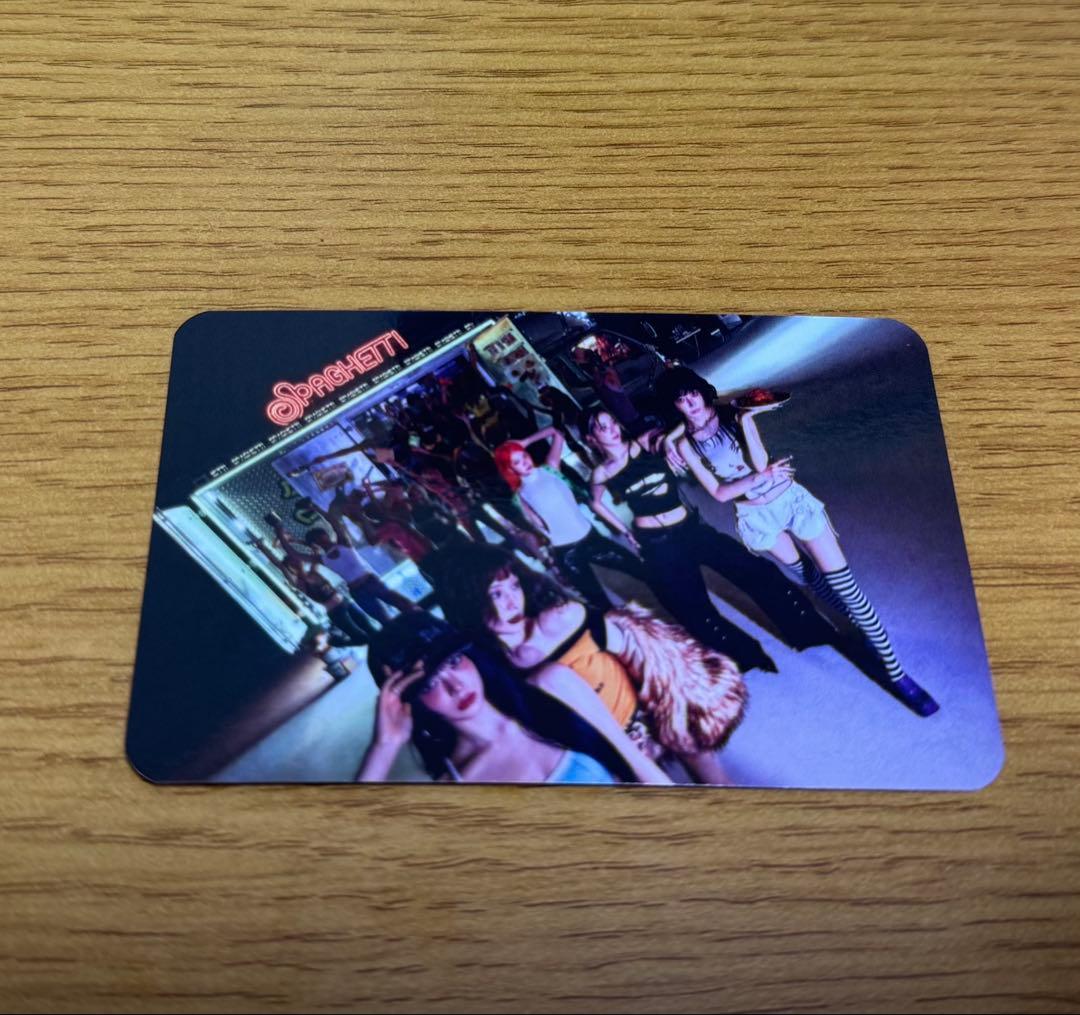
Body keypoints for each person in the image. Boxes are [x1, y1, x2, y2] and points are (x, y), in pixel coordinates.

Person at [657, 365, 939, 717]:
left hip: (790, 501)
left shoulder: (734, 412)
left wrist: (746, 422)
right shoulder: (684, 444)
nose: (690, 402)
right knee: (808, 578)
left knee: (846, 586)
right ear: (674, 406)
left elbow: (760, 460)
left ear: (701, 390)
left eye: (692, 393)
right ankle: (862, 628)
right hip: (756, 517)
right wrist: (674, 442)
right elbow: (718, 492)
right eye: (681, 400)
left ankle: (898, 676)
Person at [436, 544, 747, 784]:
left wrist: (660, 721)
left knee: (720, 789)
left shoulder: (560, 619)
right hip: (607, 751)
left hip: (654, 718)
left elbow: (643, 660)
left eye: (514, 586)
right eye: (496, 593)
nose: (512, 601)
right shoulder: (494, 671)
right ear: (472, 603)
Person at [582, 408, 840, 674]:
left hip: (690, 529)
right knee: (691, 606)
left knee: (758, 571)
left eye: (612, 422)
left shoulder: (645, 443)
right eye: (602, 427)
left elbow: (683, 424)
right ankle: (746, 657)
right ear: (591, 438)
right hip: (657, 544)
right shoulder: (601, 474)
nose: (612, 429)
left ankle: (810, 632)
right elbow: (596, 503)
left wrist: (669, 441)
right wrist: (625, 531)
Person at [355, 613, 673, 784]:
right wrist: (384, 747)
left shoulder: (553, 686)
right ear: (414, 703)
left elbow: (638, 766)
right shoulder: (457, 784)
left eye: (453, 662)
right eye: (430, 684)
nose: (455, 686)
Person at [493, 428, 653, 610]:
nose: (525, 462)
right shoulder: (519, 497)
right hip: (567, 553)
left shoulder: (550, 468)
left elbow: (556, 432)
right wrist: (550, 560)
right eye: (517, 462)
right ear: (510, 469)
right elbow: (539, 527)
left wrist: (525, 441)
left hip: (591, 538)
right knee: (601, 605)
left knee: (641, 570)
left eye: (524, 456)